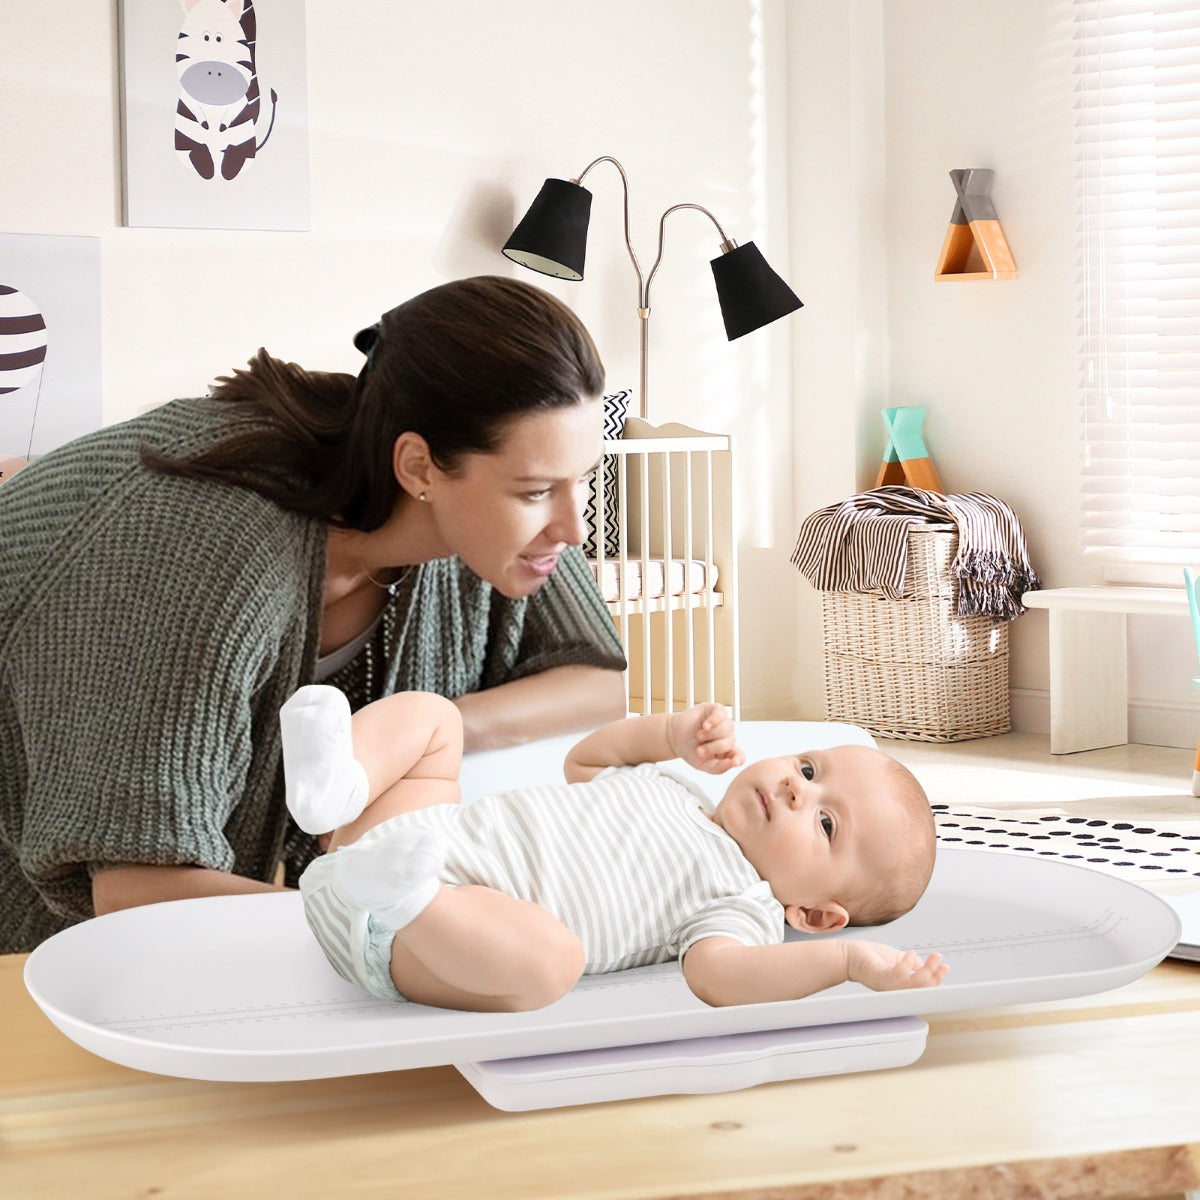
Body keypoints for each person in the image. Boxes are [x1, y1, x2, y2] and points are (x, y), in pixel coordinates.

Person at [0, 276, 627, 954]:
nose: (574, 525)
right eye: (535, 491)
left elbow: (598, 680)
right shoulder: (200, 541)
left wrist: (402, 739)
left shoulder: (482, 527)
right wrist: (398, 936)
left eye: (584, 479)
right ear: (418, 466)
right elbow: (139, 892)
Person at [284, 686, 947, 1010]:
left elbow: (718, 978)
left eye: (827, 825)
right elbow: (585, 760)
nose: (799, 791)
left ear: (814, 915)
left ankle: (410, 895)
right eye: (808, 768)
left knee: (552, 965)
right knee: (435, 720)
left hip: (425, 943)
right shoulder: (678, 784)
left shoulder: (742, 902)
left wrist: (849, 963)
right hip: (395, 846)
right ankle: (335, 789)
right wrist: (669, 735)